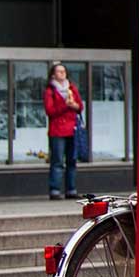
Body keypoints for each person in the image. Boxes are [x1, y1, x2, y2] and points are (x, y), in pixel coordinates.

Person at [44, 62, 83, 201]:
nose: (62, 74)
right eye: (58, 71)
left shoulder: (72, 88)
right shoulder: (50, 91)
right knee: (58, 161)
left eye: (64, 71)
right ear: (53, 75)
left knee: (72, 161)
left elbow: (80, 106)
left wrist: (74, 105)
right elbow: (50, 111)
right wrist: (65, 106)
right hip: (57, 130)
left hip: (72, 129)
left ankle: (71, 189)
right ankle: (55, 190)